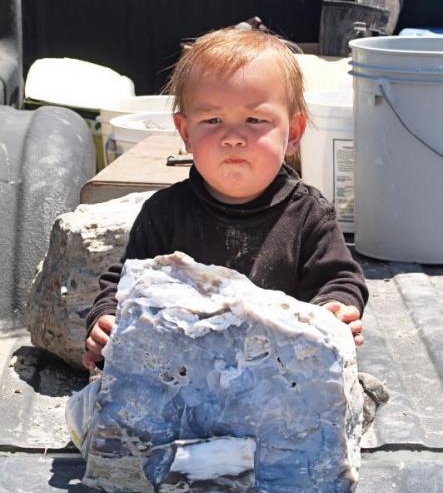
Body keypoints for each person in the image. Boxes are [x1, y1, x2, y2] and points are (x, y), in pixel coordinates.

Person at [83, 27, 368, 371]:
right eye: (213, 120)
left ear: (292, 134)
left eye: (254, 119)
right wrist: (107, 318)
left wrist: (335, 306)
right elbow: (126, 283)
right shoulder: (165, 213)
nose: (233, 137)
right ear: (186, 133)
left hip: (280, 375)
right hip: (186, 373)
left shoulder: (310, 215)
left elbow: (339, 278)